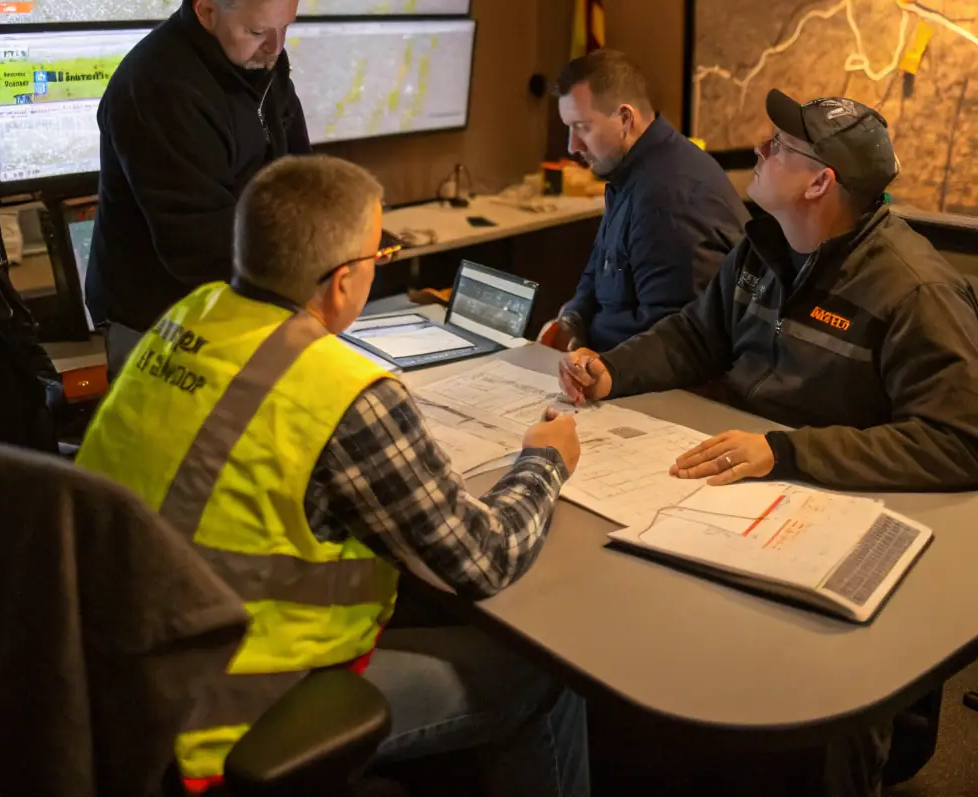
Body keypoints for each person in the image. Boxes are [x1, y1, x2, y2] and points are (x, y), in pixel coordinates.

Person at [77, 154, 588, 797]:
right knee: (543, 676)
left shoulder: (189, 318)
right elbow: (485, 559)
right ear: (343, 281)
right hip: (233, 720)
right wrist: (545, 461)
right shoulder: (341, 391)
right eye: (382, 256)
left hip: (115, 682)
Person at [560, 88, 978, 797]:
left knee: (801, 720)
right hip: (746, 489)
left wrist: (787, 451)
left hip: (842, 517)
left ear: (820, 183)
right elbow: (699, 334)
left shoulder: (914, 291)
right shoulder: (763, 247)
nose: (758, 149)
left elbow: (960, 442)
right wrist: (612, 371)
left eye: (780, 147)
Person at [86, 0, 311, 378]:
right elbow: (195, 241)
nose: (275, 48)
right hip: (162, 316)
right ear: (206, 10)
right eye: (257, 31)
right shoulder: (157, 87)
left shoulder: (258, 60)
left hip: (238, 295)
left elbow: (299, 172)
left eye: (285, 28)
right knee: (168, 448)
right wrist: (305, 278)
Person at [542, 49, 747, 352]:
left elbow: (669, 338)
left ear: (625, 119)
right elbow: (602, 269)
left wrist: (588, 342)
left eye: (582, 127)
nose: (573, 145)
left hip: (666, 386)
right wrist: (574, 318)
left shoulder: (668, 200)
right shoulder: (628, 172)